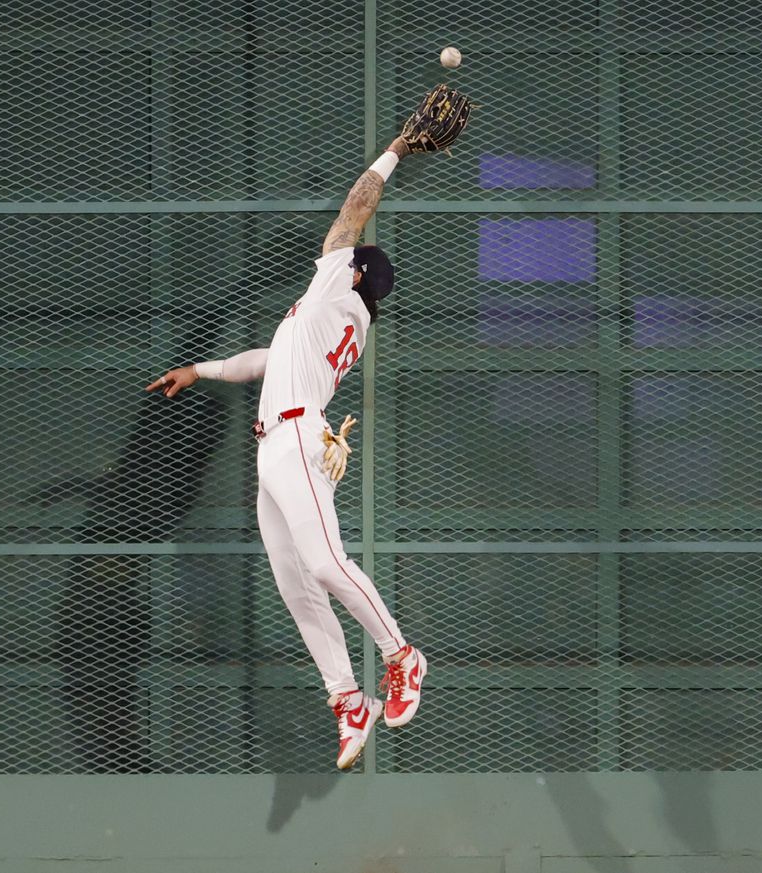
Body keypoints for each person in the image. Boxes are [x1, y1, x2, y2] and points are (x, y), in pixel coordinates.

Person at [147, 86, 470, 769]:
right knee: (296, 586)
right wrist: (201, 371)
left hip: (296, 440)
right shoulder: (326, 319)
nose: (339, 250)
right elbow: (265, 361)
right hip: (278, 448)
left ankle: (403, 656)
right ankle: (350, 701)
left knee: (324, 563)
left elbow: (355, 209)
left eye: (347, 257)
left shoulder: (334, 291)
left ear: (354, 276)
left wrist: (394, 149)